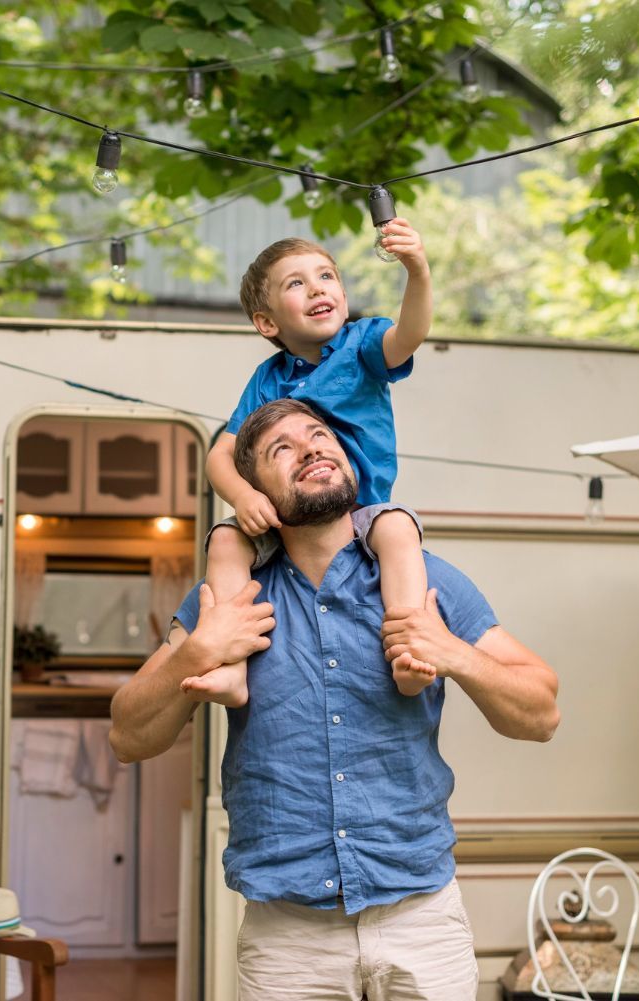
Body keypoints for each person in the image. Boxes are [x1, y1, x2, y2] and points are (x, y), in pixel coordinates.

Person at [109, 400, 560, 1001]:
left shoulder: (425, 581)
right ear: (255, 494)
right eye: (283, 449)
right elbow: (128, 736)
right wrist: (197, 651)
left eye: (320, 436)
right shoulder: (227, 597)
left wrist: (450, 651)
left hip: (421, 919)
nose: (313, 448)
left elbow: (542, 713)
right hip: (288, 937)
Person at [195, 223, 433, 709]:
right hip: (291, 520)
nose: (318, 287)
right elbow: (220, 454)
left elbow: (410, 333)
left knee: (399, 531)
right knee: (223, 539)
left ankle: (409, 650)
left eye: (326, 276)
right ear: (267, 323)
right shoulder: (268, 378)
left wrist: (417, 270)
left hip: (359, 511)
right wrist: (244, 497)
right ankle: (230, 668)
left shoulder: (361, 346)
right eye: (296, 283)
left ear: (343, 295)